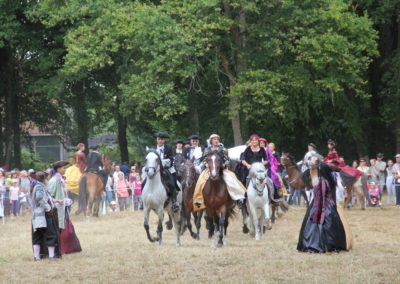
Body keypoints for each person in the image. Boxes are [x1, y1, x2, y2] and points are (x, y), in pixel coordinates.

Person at [297, 152, 352, 253]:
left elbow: (331, 182)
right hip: (319, 199)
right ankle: (317, 244)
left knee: (326, 216)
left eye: (312, 159)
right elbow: (310, 184)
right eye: (310, 159)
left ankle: (327, 244)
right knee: (317, 215)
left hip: (325, 198)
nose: (311, 161)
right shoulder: (312, 170)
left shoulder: (322, 167)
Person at [193, 133, 246, 211]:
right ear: (211, 141)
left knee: (233, 180)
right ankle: (198, 203)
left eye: (217, 139)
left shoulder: (223, 150)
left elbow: (227, 160)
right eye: (214, 139)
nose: (216, 141)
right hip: (209, 170)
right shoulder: (207, 150)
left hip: (221, 169)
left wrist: (224, 165)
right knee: (199, 183)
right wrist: (208, 165)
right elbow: (204, 160)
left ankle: (238, 200)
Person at [31, 171, 61, 260]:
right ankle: (51, 256)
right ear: (44, 179)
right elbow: (40, 198)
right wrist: (48, 208)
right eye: (47, 178)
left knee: (37, 235)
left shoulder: (40, 186)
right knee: (50, 234)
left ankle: (37, 257)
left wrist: (54, 201)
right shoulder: (40, 187)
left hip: (38, 215)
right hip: (43, 215)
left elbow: (45, 198)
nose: (48, 179)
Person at [153, 131, 180, 211]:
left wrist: (163, 162)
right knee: (145, 176)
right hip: (155, 168)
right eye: (159, 139)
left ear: (164, 140)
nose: (160, 141)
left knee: (172, 179)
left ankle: (174, 201)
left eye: (162, 139)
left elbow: (171, 159)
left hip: (166, 168)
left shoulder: (169, 148)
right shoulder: (153, 148)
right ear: (157, 139)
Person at [48, 160, 69, 230]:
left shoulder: (60, 179)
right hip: (56, 210)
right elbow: (49, 195)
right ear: (59, 169)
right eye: (64, 168)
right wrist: (57, 201)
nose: (65, 169)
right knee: (57, 231)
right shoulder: (54, 180)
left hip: (62, 209)